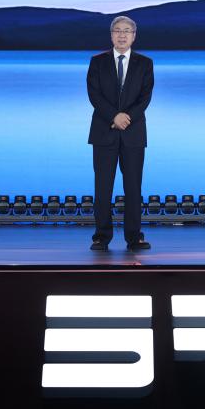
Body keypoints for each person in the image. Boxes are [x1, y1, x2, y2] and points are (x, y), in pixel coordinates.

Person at [86, 15, 154, 251]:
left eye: (127, 31)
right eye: (117, 30)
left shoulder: (145, 63)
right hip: (104, 131)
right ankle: (101, 237)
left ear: (134, 36)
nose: (122, 35)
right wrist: (114, 117)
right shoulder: (97, 62)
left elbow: (145, 97)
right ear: (111, 35)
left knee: (133, 187)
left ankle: (134, 237)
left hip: (133, 133)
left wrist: (126, 118)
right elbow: (94, 95)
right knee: (102, 187)